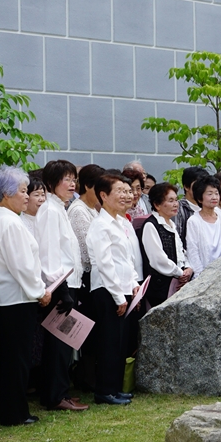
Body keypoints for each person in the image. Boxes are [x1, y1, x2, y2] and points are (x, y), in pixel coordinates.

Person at [0, 166, 50, 425]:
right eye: (23, 191)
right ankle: (14, 412)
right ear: (7, 194)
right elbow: (21, 265)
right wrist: (39, 291)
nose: (26, 196)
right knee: (15, 360)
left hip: (5, 298)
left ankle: (5, 409)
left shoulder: (0, 219)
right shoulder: (9, 222)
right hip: (16, 299)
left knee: (7, 358)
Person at [35, 159, 87, 412]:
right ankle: (55, 395)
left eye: (73, 178)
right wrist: (62, 289)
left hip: (69, 283)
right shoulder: (49, 210)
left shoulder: (60, 209)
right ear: (51, 183)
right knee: (58, 345)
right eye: (65, 179)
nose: (71, 183)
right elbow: (48, 254)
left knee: (65, 343)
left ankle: (60, 391)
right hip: (59, 285)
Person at [85, 171, 139, 405]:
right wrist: (118, 296)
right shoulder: (100, 225)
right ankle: (105, 391)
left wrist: (135, 284)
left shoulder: (121, 222)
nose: (125, 196)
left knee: (120, 342)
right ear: (104, 195)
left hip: (123, 290)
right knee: (108, 342)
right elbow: (105, 264)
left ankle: (116, 387)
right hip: (107, 291)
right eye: (120, 191)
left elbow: (127, 259)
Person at [139, 182, 192, 307]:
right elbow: (158, 259)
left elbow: (180, 252)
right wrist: (180, 273)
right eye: (170, 200)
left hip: (176, 283)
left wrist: (188, 268)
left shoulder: (171, 224)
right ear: (157, 205)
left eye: (176, 200)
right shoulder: (151, 225)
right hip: (159, 287)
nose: (175, 204)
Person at [186, 175, 221, 276]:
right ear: (200, 198)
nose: (214, 197)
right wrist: (200, 276)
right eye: (209, 194)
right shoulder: (194, 221)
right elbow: (193, 251)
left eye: (216, 193)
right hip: (203, 275)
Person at [67, 164, 105, 293]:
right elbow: (85, 250)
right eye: (99, 188)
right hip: (87, 276)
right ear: (87, 186)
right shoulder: (79, 210)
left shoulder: (93, 209)